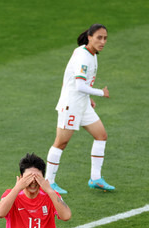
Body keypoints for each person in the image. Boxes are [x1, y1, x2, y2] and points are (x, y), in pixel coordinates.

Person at [45, 23, 115, 194]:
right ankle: (48, 182)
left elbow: (74, 81)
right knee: (61, 142)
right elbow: (78, 85)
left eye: (105, 38)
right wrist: (100, 92)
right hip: (72, 105)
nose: (103, 41)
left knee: (101, 135)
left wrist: (88, 97)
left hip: (82, 103)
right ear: (90, 37)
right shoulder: (84, 56)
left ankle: (96, 178)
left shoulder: (90, 53)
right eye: (99, 37)